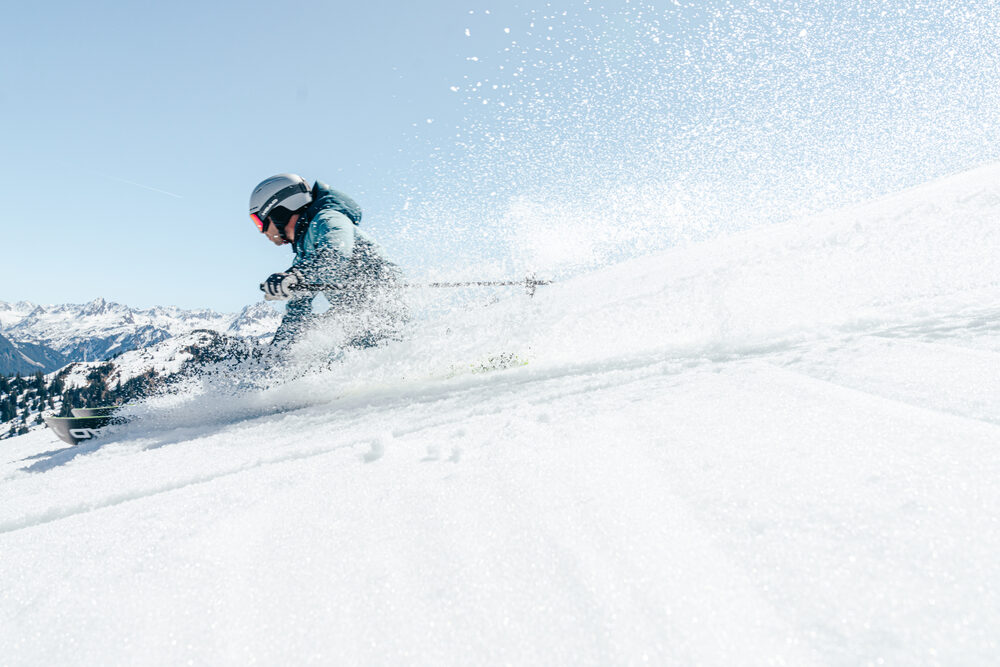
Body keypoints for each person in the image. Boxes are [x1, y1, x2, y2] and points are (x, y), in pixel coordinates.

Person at [249, 173, 406, 349]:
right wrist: (275, 352)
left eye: (259, 221)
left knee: (333, 350)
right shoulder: (304, 252)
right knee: (319, 341)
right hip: (360, 317)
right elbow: (297, 312)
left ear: (279, 211)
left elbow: (336, 254)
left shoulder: (328, 219)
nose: (262, 232)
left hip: (385, 311)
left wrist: (296, 275)